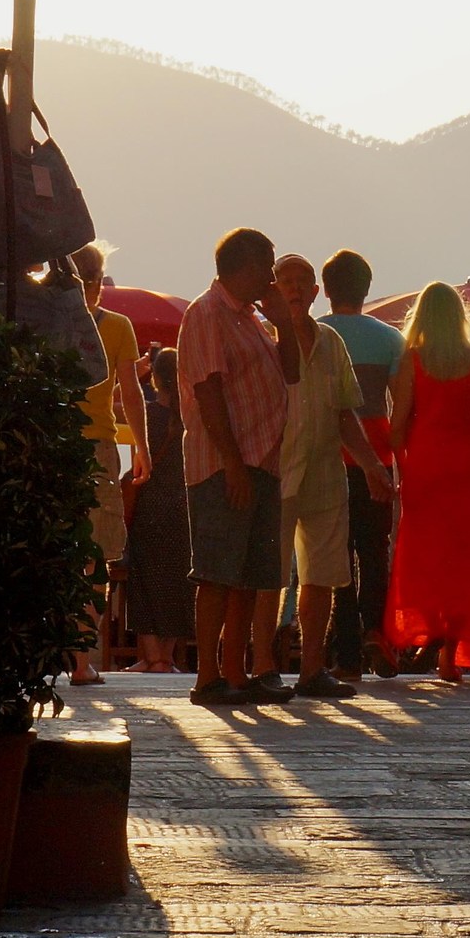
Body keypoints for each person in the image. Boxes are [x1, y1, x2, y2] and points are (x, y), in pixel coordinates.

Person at [261, 253, 394, 700]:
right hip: (274, 469)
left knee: (323, 574)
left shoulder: (331, 341)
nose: (295, 289)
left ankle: (312, 668)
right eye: (286, 281)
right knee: (269, 574)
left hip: (324, 469)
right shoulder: (262, 339)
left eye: (303, 281)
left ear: (317, 293)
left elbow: (345, 412)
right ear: (273, 288)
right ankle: (262, 666)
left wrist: (373, 464)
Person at [178, 227, 301, 707]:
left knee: (249, 574)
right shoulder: (207, 314)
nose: (271, 276)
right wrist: (232, 464)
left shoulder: (251, 319)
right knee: (216, 573)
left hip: (262, 460)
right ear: (245, 266)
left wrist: (284, 323)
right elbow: (208, 393)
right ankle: (208, 674)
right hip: (224, 463)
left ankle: (236, 671)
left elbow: (290, 373)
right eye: (267, 265)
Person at [381, 282, 470, 681]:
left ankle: (431, 633)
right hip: (468, 465)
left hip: (426, 466)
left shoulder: (413, 360)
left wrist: (400, 464)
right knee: (466, 555)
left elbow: (400, 424)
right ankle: (452, 651)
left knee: (426, 556)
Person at [317, 249, 404, 680]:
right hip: (379, 458)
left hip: (328, 459)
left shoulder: (314, 334)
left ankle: (346, 652)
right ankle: (375, 630)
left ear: (326, 290)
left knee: (336, 556)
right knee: (374, 552)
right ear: (367, 290)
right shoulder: (390, 339)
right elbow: (402, 404)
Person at [70, 241, 146, 686]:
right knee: (97, 556)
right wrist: (142, 447)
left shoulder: (45, 324)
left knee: (66, 552)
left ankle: (68, 652)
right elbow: (131, 394)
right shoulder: (116, 326)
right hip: (97, 444)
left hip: (57, 445)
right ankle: (81, 658)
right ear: (98, 282)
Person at [124, 347, 195, 671]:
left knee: (144, 578)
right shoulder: (190, 419)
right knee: (176, 580)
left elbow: (113, 404)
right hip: (182, 507)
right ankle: (165, 657)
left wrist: (132, 379)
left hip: (150, 505)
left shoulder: (147, 415)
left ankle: (152, 657)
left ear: (156, 377)